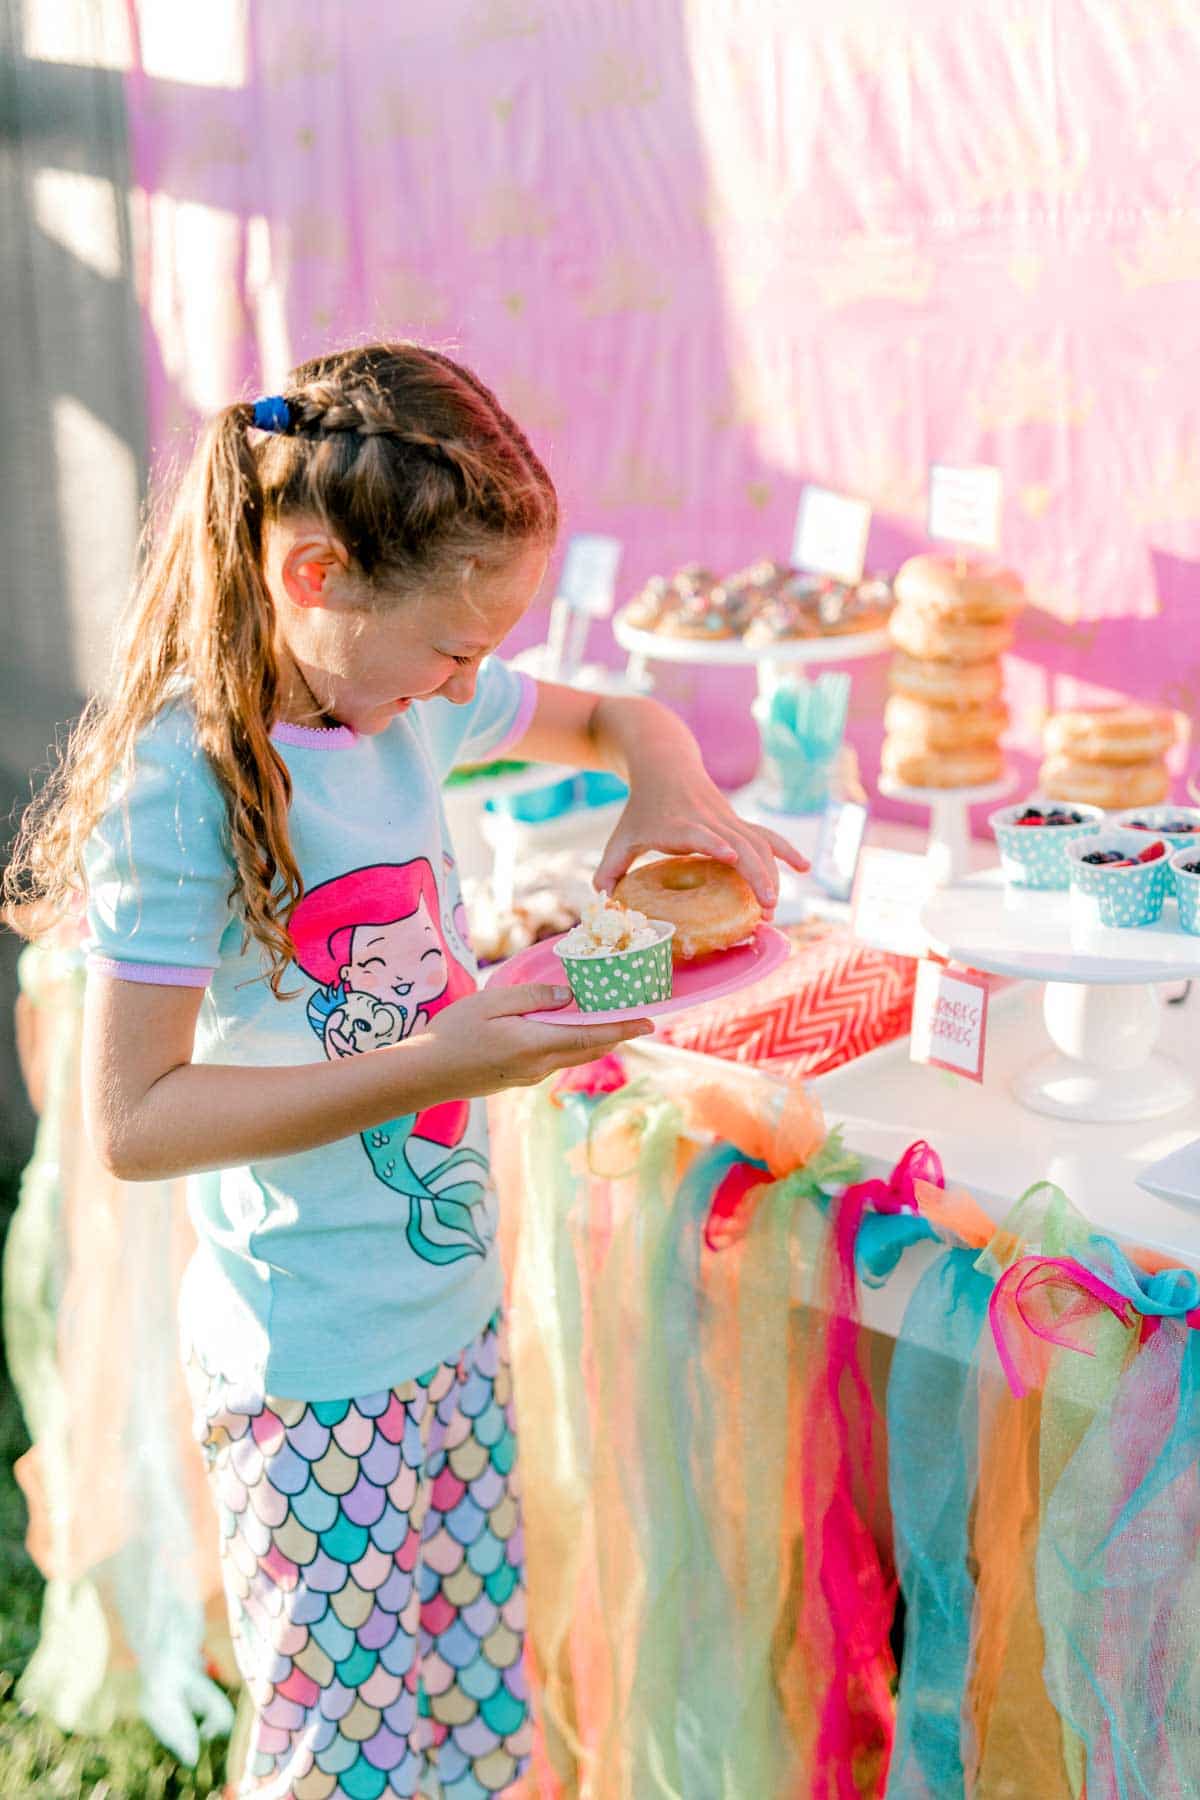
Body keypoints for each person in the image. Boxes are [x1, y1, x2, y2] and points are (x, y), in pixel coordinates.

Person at [4, 342, 807, 1800]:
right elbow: (134, 1120)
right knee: (347, 1759)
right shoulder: (184, 779)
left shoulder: (395, 695)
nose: (472, 683)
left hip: (448, 1325)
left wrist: (669, 778)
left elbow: (624, 715)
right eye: (455, 649)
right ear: (314, 577)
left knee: (476, 1716)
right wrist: (445, 1060)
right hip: (314, 1377)